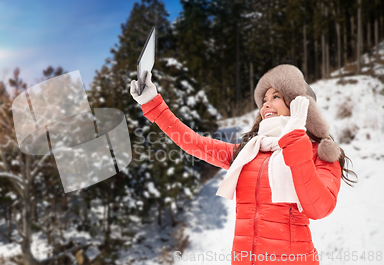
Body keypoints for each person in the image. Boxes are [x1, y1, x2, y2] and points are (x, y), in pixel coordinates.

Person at [129, 64, 356, 265]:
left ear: (298, 104)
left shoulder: (320, 154)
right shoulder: (249, 152)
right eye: (264, 100)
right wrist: (153, 103)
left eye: (275, 97)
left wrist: (296, 138)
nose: (266, 105)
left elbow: (319, 208)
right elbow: (194, 143)